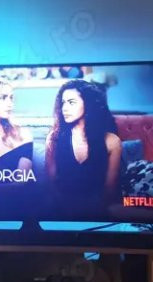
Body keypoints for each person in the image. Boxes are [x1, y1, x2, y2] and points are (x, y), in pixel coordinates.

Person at [45, 79, 122, 215]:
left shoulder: (112, 141)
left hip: (98, 210)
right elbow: (51, 183)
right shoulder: (54, 138)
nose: (64, 108)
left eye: (71, 102)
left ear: (88, 104)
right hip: (61, 209)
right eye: (63, 103)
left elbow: (110, 189)